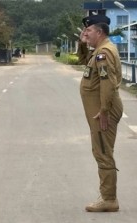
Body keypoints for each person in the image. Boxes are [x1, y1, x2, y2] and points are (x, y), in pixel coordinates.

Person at [77, 14, 123, 212]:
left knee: (103, 152)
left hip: (103, 112)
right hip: (99, 110)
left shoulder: (104, 53)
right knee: (102, 151)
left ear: (100, 32)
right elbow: (84, 61)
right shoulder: (98, 51)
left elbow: (108, 83)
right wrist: (83, 43)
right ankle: (107, 195)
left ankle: (109, 199)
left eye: (89, 31)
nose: (86, 33)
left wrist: (104, 111)